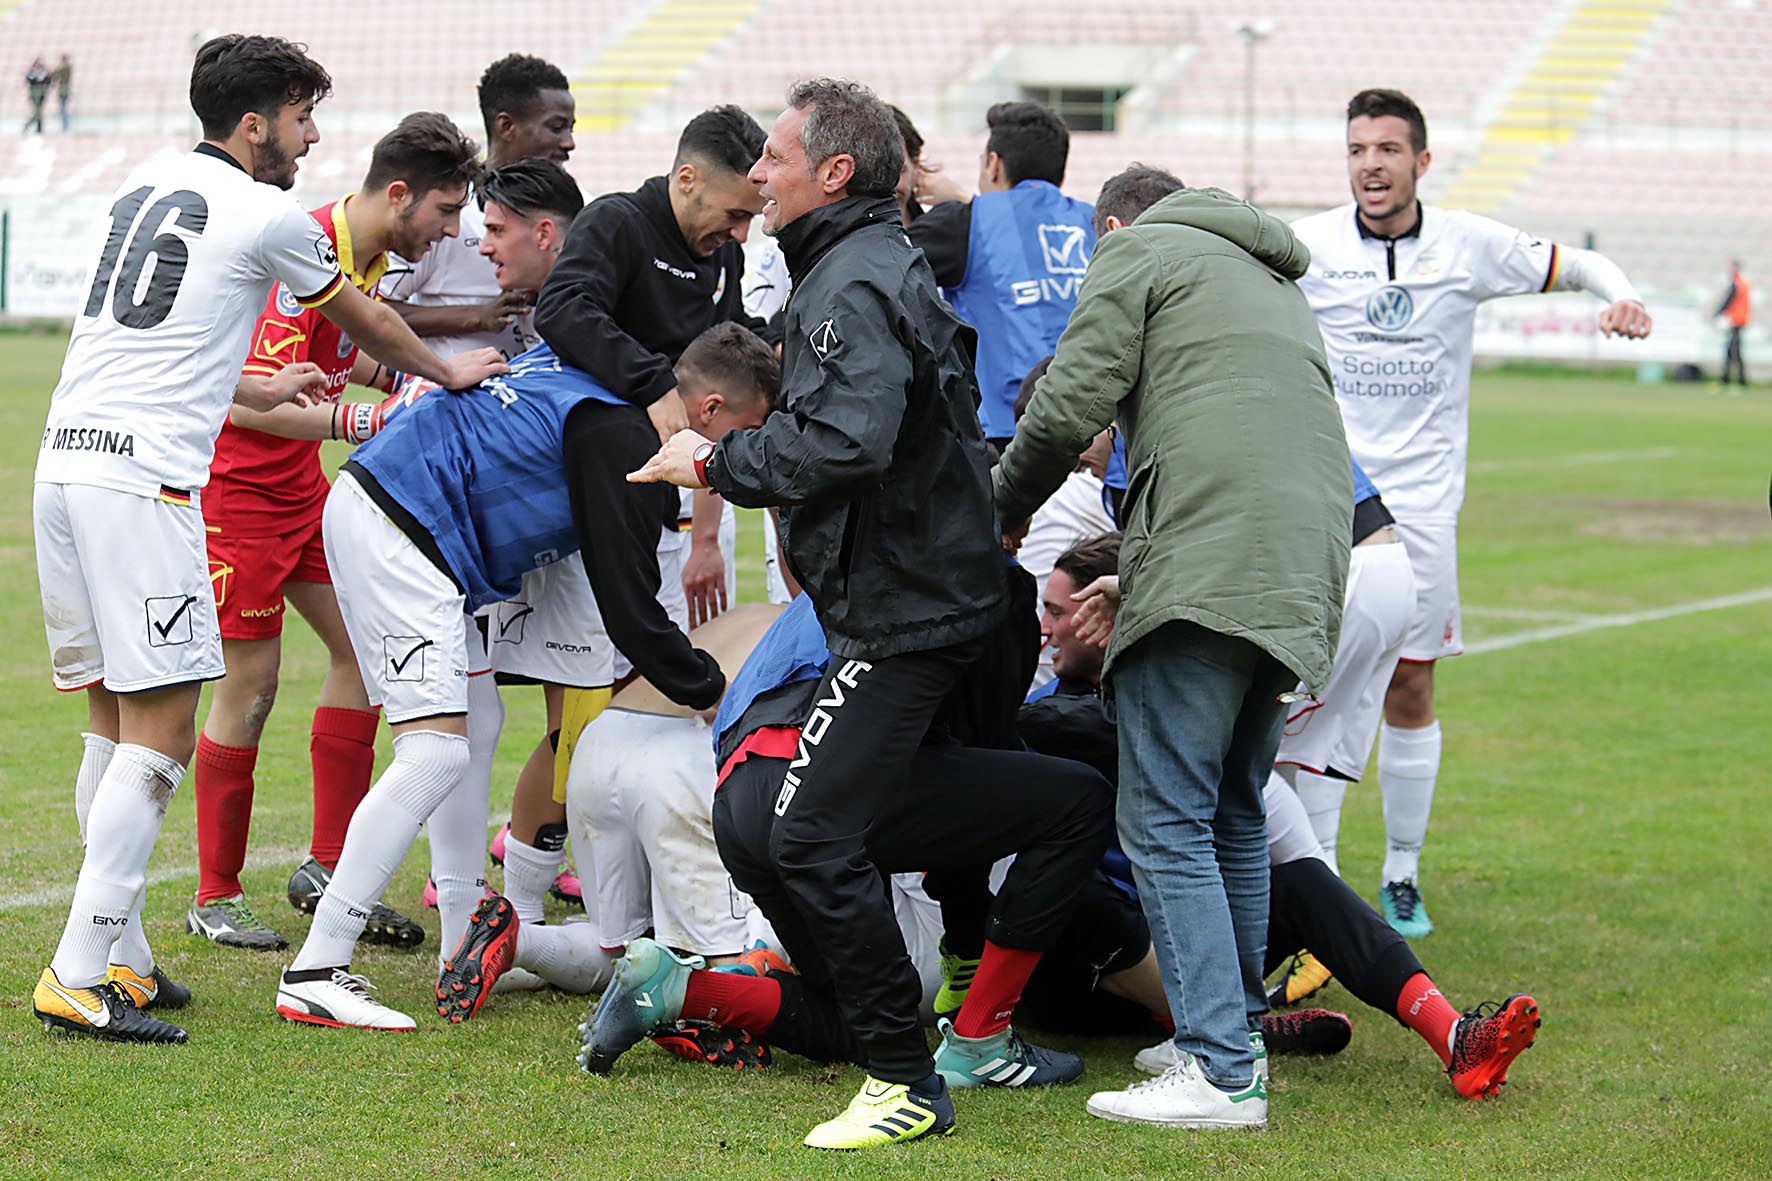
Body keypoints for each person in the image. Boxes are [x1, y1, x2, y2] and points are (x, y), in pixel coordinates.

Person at [30, 33, 506, 1044]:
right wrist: (448, 370)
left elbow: (147, 343)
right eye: (300, 116)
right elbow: (370, 327)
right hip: (146, 484)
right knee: (161, 732)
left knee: (110, 721)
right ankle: (78, 970)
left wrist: (252, 386)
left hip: (65, 463)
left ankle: (119, 952)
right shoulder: (272, 214)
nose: (311, 135)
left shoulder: (140, 185)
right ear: (255, 124)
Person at [626, 78, 1013, 1150]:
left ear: (834, 172)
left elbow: (849, 444)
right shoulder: (857, 264)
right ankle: (879, 1025)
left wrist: (713, 458)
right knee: (773, 825)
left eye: (775, 158)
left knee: (802, 829)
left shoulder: (847, 280)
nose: (757, 174)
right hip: (918, 597)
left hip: (909, 611)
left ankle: (904, 1075)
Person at [273, 324, 775, 1032]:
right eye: (742, 436)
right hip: (405, 520)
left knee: (476, 730)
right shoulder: (625, 440)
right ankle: (318, 965)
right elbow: (632, 615)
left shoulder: (613, 392)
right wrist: (714, 697)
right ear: (710, 411)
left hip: (401, 510)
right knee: (438, 750)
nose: (733, 459)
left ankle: (461, 936)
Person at [993, 163, 1352, 1129]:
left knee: (1164, 817)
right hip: (1302, 568)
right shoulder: (1272, 279)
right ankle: (1226, 1028)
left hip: (1210, 560)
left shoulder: (1139, 252)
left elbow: (1068, 404)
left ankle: (1220, 1068)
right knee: (1233, 809)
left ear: (1111, 227)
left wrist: (1000, 512)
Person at [1291, 89, 1653, 937]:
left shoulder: (1468, 243)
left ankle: (1402, 874)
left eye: (1386, 149)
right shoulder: (1307, 244)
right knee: (1312, 692)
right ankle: (1319, 880)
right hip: (1326, 496)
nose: (1369, 164)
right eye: (1355, 150)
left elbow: (1580, 264)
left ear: (1422, 160)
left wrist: (1624, 295)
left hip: (1420, 510)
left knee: (1410, 683)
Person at [1038, 533, 1544, 1101]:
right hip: (1087, 985)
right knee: (1076, 894)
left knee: (1303, 879)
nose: (1045, 628)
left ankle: (1454, 1035)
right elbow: (1081, 731)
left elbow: (1279, 834)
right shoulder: (1047, 718)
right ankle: (1225, 1029)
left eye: (1058, 612)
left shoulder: (1178, 715)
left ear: (1105, 613)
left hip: (1180, 951)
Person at [578, 594, 1113, 1101]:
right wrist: (967, 954)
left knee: (867, 1026)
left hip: (731, 794)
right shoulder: (953, 570)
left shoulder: (822, 577)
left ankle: (680, 991)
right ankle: (983, 1038)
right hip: (816, 786)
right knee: (1080, 801)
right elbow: (974, 750)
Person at [187, 112, 489, 954]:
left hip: (302, 494)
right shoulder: (305, 246)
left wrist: (396, 377)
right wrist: (366, 414)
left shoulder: (368, 255)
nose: (451, 231)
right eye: (446, 211)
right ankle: (215, 893)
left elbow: (341, 351)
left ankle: (327, 863)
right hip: (239, 492)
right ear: (399, 195)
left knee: (362, 652)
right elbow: (258, 393)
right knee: (251, 683)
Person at [480, 105, 778, 942]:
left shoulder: (723, 255)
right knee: (572, 704)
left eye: (750, 216)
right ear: (686, 178)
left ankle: (593, 903)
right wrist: (655, 387)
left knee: (621, 697)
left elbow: (726, 352)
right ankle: (513, 903)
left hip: (656, 500)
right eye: (732, 209)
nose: (738, 229)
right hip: (577, 504)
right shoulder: (617, 221)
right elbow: (567, 315)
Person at [908, 100, 1095, 450]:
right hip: (1099, 440)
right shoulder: (1096, 222)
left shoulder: (963, 222)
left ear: (993, 165)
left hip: (1003, 440)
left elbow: (881, 259)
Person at [380, 54, 575, 359]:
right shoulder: (447, 215)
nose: (569, 142)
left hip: (531, 396)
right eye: (556, 127)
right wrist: (476, 316)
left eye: (570, 128)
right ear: (506, 126)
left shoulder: (577, 207)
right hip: (456, 400)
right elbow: (376, 310)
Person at [1716, 260, 1750, 386]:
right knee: (1733, 350)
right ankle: (1730, 379)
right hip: (1738, 320)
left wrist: (1717, 313)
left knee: (1734, 351)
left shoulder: (1737, 283)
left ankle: (1736, 380)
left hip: (1736, 320)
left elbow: (1729, 300)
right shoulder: (1742, 283)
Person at [23, 57, 50, 134]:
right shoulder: (32, 71)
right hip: (34, 93)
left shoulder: (44, 71)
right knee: (37, 111)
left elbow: (48, 81)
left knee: (39, 111)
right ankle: (31, 126)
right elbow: (28, 79)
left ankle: (38, 128)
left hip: (41, 93)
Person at [52, 54, 72, 133]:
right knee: (62, 108)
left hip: (63, 89)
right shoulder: (67, 67)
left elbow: (55, 72)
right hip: (64, 89)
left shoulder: (65, 67)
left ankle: (65, 127)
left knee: (63, 109)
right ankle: (65, 126)